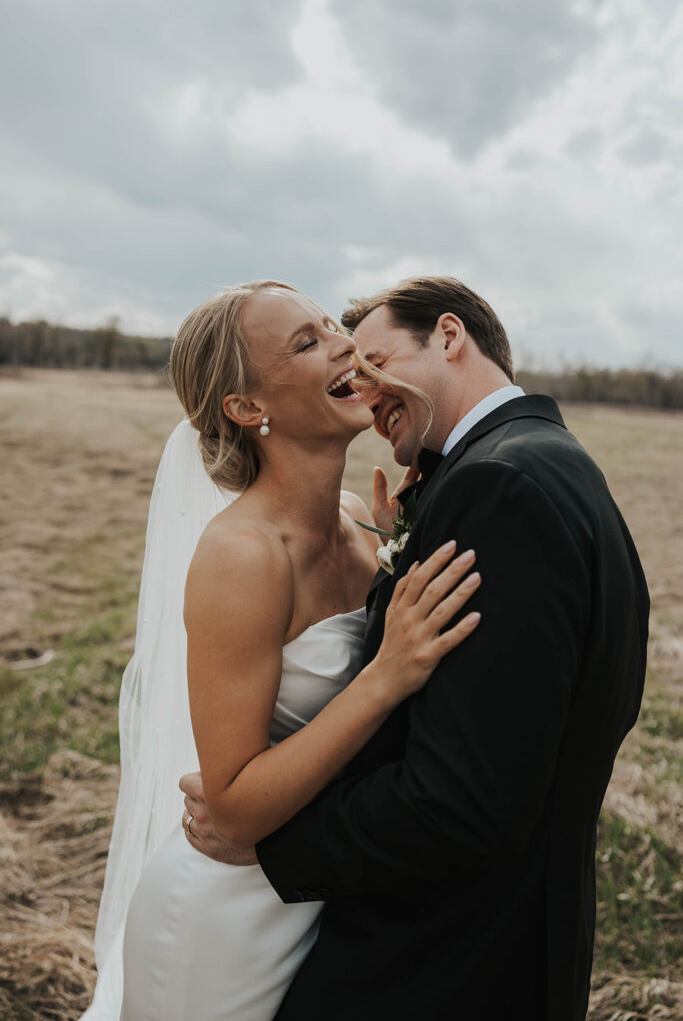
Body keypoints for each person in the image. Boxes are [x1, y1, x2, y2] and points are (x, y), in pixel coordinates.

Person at [182, 277, 649, 1021]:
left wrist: (281, 848)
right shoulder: (528, 465)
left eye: (358, 344)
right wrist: (394, 610)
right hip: (300, 923)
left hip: (443, 946)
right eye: (313, 342)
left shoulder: (490, 489)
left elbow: (466, 794)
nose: (351, 362)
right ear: (246, 408)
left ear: (449, 337)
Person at [84, 279, 482, 1021]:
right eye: (306, 342)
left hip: (321, 889)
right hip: (225, 922)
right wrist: (385, 674)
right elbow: (229, 809)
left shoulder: (359, 518)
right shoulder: (243, 555)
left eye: (331, 325)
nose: (344, 344)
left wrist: (402, 547)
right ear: (246, 408)